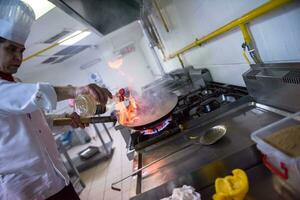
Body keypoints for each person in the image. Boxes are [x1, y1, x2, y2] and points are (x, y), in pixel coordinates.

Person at [0, 0, 112, 199]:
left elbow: (41, 124)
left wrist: (68, 119)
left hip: (57, 179)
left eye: (21, 50)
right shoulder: (13, 91)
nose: (18, 56)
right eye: (11, 49)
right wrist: (75, 90)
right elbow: (31, 95)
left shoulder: (16, 82)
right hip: (27, 192)